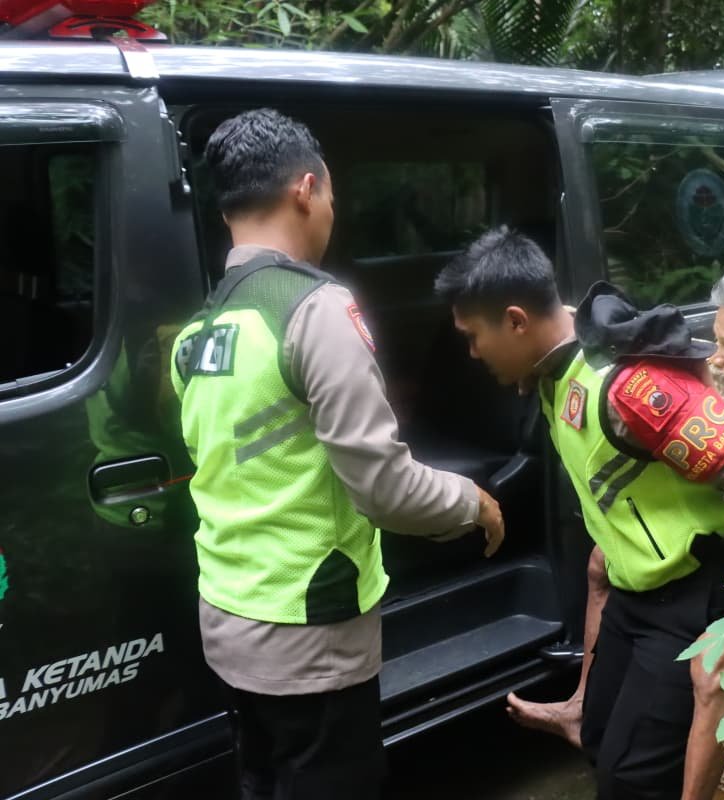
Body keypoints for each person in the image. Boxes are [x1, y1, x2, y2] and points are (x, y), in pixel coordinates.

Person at [170, 109, 504, 800]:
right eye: (331, 196)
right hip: (311, 630)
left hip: (229, 616)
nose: (330, 211)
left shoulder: (198, 332)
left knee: (263, 780)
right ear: (306, 188)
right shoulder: (315, 310)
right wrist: (471, 501)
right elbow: (383, 489)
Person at [436, 231, 724, 800]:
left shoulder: (631, 385)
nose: (472, 353)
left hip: (696, 595)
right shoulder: (555, 371)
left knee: (636, 778)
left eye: (473, 335)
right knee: (601, 740)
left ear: (514, 321)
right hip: (637, 593)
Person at [503, 267, 724, 760]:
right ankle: (582, 704)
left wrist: (678, 389)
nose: (715, 356)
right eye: (714, 340)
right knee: (601, 569)